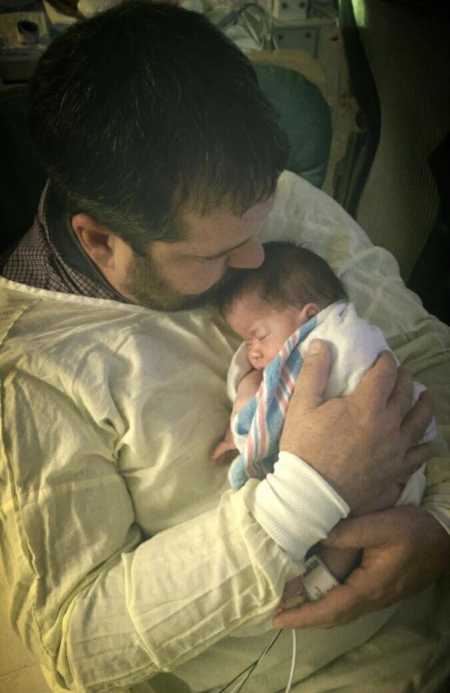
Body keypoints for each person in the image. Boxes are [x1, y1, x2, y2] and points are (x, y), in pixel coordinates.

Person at [0, 3, 449, 692]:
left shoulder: (276, 202)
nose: (257, 258)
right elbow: (76, 640)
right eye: (213, 254)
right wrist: (302, 494)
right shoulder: (35, 374)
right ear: (100, 241)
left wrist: (441, 523)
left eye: (262, 222)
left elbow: (426, 350)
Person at [212, 240, 434, 592]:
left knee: (347, 526)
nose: (252, 351)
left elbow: (272, 414)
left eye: (258, 336)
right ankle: (326, 580)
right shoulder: (336, 335)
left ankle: (319, 585)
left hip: (392, 449)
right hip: (398, 462)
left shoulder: (327, 343)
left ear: (309, 315)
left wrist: (241, 433)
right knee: (357, 520)